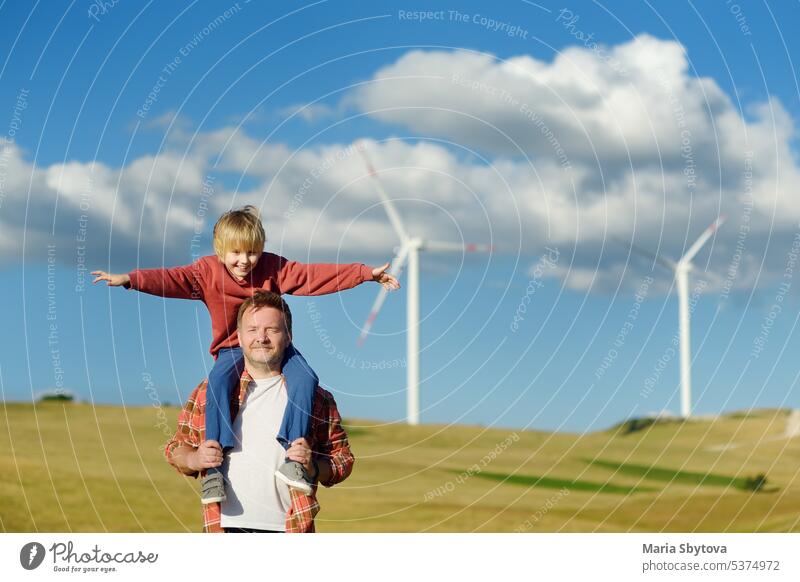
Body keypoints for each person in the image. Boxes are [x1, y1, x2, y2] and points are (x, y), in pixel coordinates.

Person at [92, 206, 397, 503]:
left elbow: (311, 276)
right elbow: (172, 279)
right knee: (219, 382)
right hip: (230, 347)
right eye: (235, 252)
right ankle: (213, 467)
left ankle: (294, 454)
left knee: (306, 378)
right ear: (219, 249)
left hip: (274, 348)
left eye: (252, 252)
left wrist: (364, 274)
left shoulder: (273, 268)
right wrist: (131, 280)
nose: (244, 261)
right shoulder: (205, 272)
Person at [165, 291, 354, 533]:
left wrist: (313, 467)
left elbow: (343, 460)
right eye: (252, 330)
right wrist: (195, 459)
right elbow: (175, 449)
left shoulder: (316, 398)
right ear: (239, 338)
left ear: (288, 337)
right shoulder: (209, 391)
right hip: (224, 529)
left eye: (272, 330)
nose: (261, 338)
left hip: (290, 529)